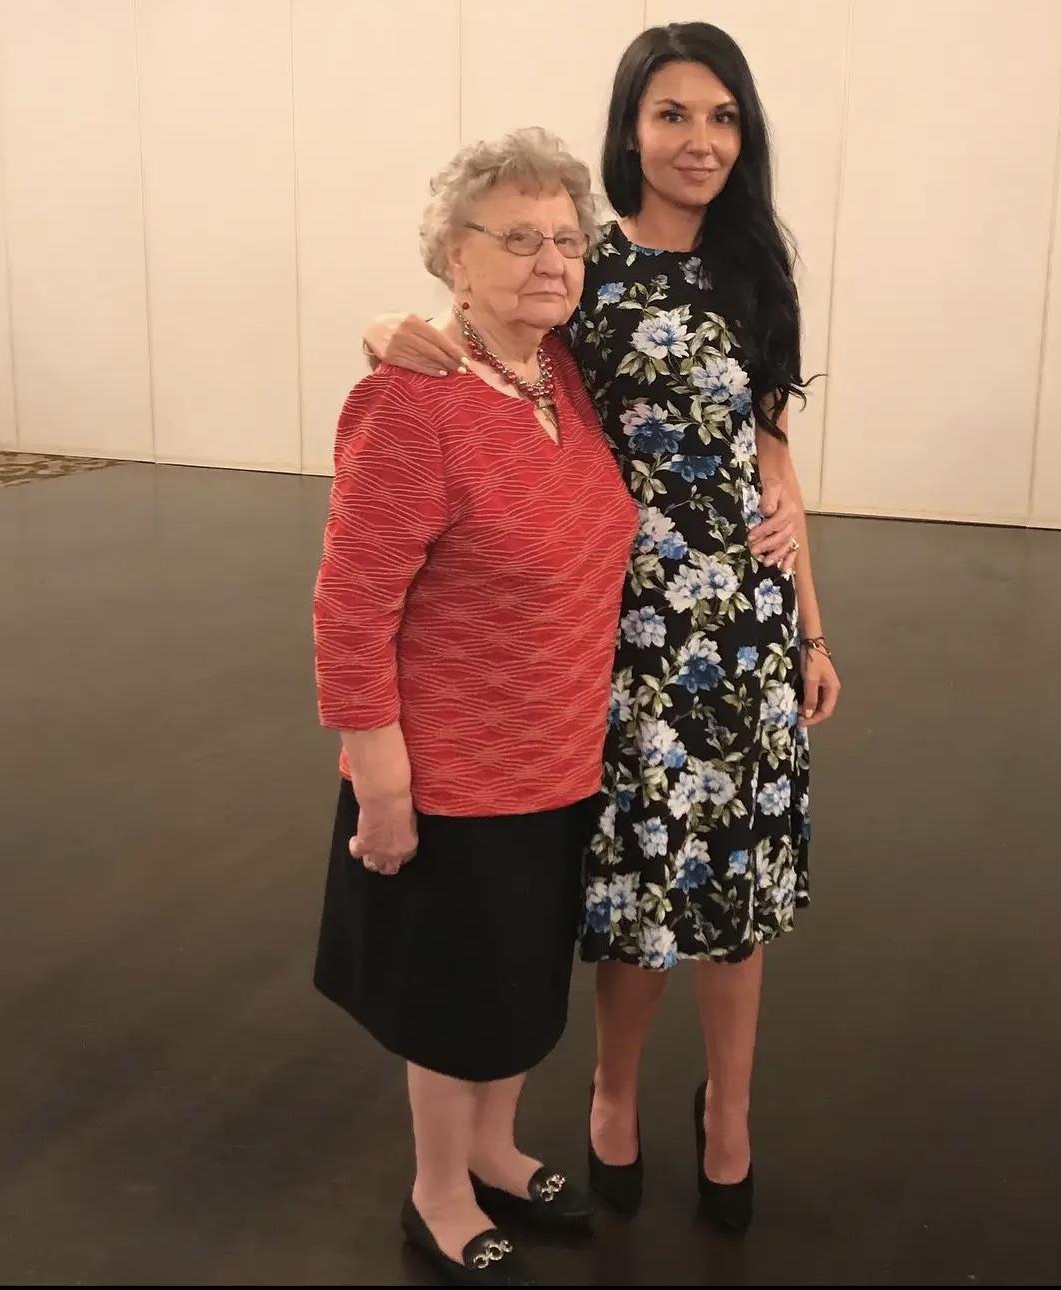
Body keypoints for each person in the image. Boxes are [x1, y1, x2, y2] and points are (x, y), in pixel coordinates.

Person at [363, 22, 842, 1233]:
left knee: (737, 892)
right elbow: (493, 348)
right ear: (631, 127)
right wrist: (390, 332)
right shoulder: (587, 264)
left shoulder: (754, 266)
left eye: (723, 117)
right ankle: (613, 1093)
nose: (700, 141)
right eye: (673, 114)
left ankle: (729, 1111)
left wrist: (812, 628)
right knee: (638, 888)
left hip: (745, 627)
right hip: (625, 632)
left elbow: (771, 454)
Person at [312, 128, 637, 1285]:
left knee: (516, 988)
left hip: (561, 757)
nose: (551, 260)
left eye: (567, 239)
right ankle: (439, 1191)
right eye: (519, 238)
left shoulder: (563, 376)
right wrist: (381, 783)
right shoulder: (412, 404)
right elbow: (351, 606)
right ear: (456, 255)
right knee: (455, 1006)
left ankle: (496, 1149)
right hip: (453, 775)